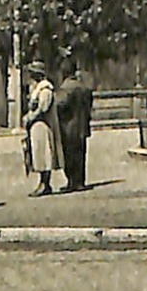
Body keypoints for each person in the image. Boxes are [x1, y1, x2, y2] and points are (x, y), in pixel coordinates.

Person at [21, 61, 62, 197]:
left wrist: (30, 117)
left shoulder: (45, 90)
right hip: (36, 127)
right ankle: (42, 182)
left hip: (43, 125)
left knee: (43, 155)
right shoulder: (36, 89)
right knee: (37, 155)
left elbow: (42, 109)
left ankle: (45, 183)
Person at [54, 57, 89, 192]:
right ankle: (80, 181)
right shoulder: (83, 86)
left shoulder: (66, 87)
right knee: (81, 153)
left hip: (68, 126)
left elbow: (60, 104)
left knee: (69, 154)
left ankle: (72, 181)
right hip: (82, 125)